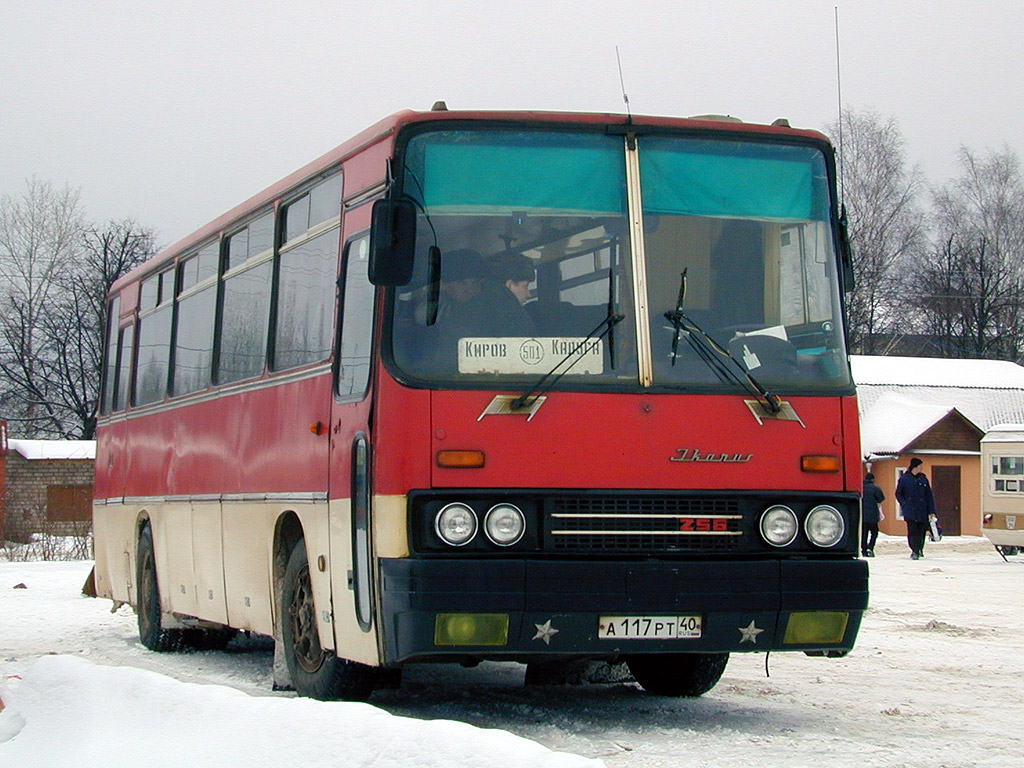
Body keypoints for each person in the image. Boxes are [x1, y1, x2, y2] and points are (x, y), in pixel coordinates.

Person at [895, 458, 937, 560]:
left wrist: (932, 511)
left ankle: (919, 549)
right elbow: (898, 493)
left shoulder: (923, 479)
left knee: (922, 531)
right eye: (920, 466)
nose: (922, 468)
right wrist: (904, 504)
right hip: (910, 511)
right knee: (913, 531)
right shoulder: (905, 479)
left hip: (923, 510)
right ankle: (914, 550)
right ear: (915, 466)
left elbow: (929, 496)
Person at [861, 472, 885, 557]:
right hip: (872, 515)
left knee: (864, 533)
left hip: (863, 515)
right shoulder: (876, 488)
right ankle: (870, 547)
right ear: (873, 479)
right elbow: (881, 498)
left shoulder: (861, 488)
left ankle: (863, 550)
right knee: (874, 532)